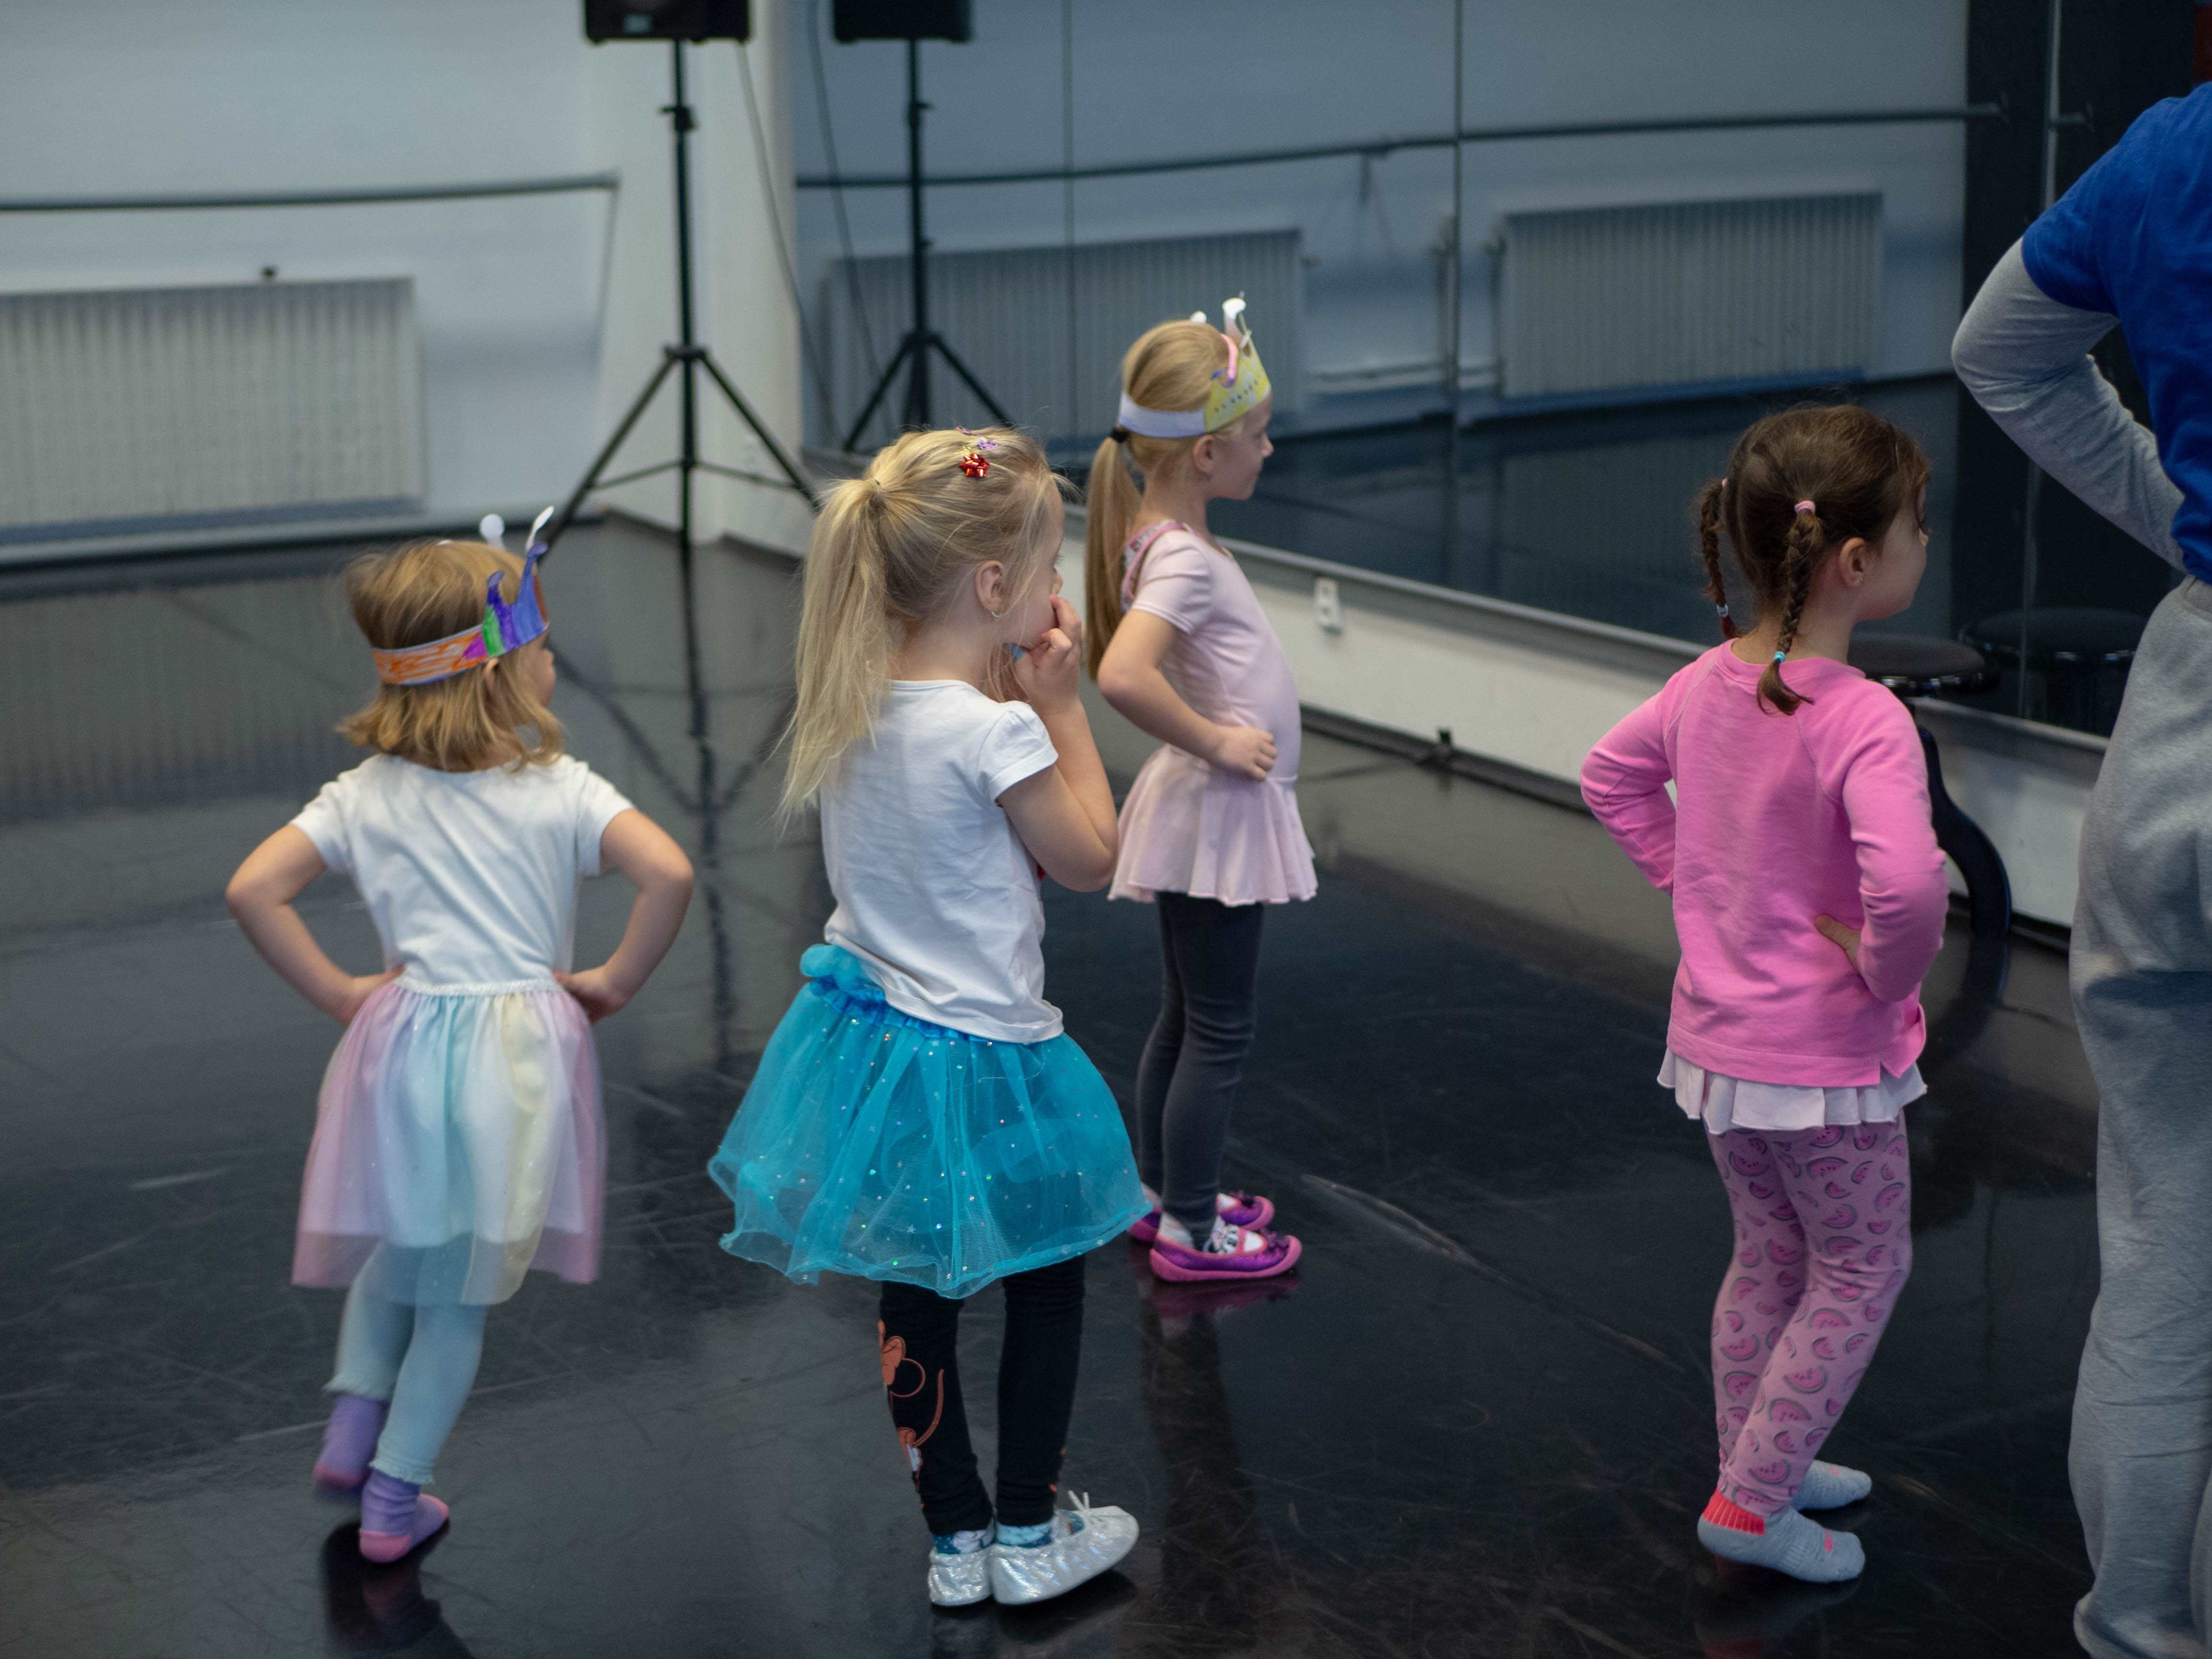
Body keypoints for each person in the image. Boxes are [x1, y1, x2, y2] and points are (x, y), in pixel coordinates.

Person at [706, 428, 1146, 1609]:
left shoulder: (853, 703)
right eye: (1047, 570)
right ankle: (1028, 1533)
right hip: (988, 1055)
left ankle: (955, 1542)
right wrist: (1062, 706)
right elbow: (1092, 856)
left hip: (875, 1048)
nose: (1057, 593)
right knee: (1045, 1275)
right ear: (992, 587)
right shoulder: (994, 730)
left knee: (917, 1286)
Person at [225, 522, 693, 1563]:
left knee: (401, 1238)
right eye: (543, 646)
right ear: (500, 674)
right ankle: (394, 1500)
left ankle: (354, 1420)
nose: (554, 661)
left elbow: (253, 889)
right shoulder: (563, 790)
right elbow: (669, 873)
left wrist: (342, 993)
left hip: (397, 1049)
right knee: (458, 1301)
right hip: (511, 1071)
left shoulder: (363, 794)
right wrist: (614, 980)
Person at [1580, 405, 1949, 1583]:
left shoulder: (1701, 683)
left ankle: (1758, 1464)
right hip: (1823, 1059)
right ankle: (1749, 1504)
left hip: (1720, 1048)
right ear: (1855, 560)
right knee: (1860, 1268)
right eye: (1918, 524)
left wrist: (1689, 880)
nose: (1925, 541)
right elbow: (1910, 887)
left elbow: (1607, 776)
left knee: (1770, 1255)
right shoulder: (1865, 717)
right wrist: (1884, 972)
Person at [1952, 85, 2212, 1659]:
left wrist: (2186, 524)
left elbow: (1999, 352)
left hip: (2180, 717)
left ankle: (2135, 1630)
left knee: (2167, 1241)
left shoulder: (2179, 143)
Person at [1083, 299, 1310, 1284]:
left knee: (1185, 1017)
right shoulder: (1179, 554)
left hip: (1205, 807)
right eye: (1257, 433)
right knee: (1218, 1029)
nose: (1269, 448)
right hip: (1217, 810)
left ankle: (1161, 1191)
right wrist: (1218, 739)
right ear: (1206, 454)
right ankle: (1189, 1227)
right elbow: (1122, 674)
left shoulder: (1163, 537)